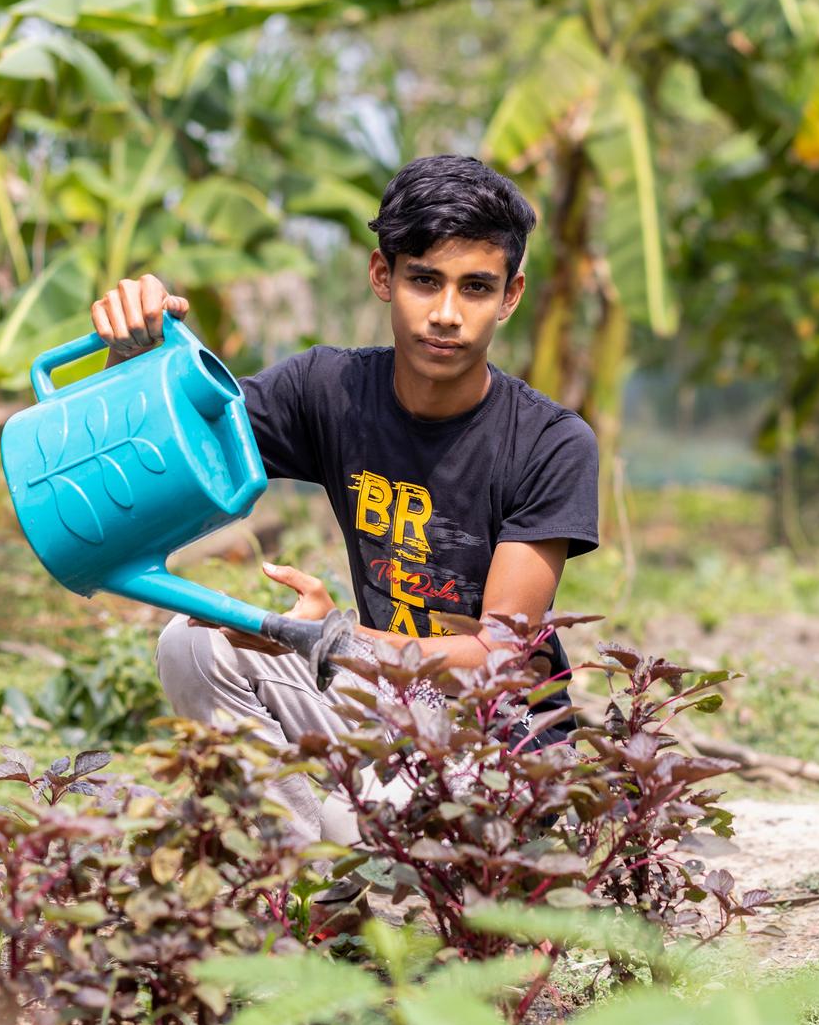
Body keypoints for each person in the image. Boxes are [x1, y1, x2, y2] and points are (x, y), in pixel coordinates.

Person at [89, 154, 600, 843]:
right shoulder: (327, 389)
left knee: (394, 840)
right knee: (192, 646)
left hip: (497, 733)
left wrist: (335, 641)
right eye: (424, 279)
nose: (447, 314)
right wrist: (134, 356)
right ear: (383, 275)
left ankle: (377, 849)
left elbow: (500, 658)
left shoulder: (550, 441)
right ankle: (289, 879)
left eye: (475, 287)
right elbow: (172, 454)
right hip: (381, 696)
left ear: (510, 297)